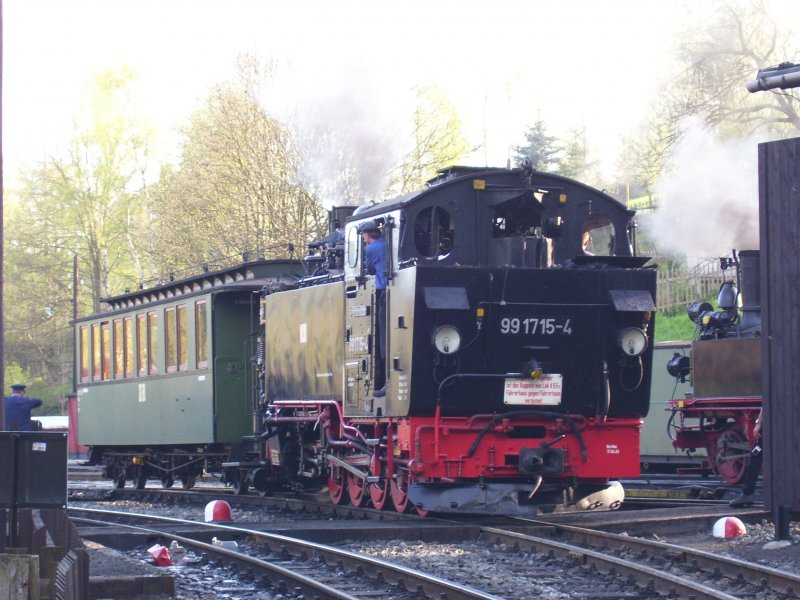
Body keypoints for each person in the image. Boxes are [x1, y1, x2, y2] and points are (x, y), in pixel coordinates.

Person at [360, 220, 387, 397]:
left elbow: (367, 270)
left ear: (366, 236)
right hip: (396, 291)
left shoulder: (370, 249)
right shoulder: (388, 243)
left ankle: (384, 383)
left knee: (383, 341)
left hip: (382, 294)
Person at [729, 407, 763, 507]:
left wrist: (759, 424)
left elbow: (766, 402)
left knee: (755, 456)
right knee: (756, 454)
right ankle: (747, 494)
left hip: (773, 425)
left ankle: (747, 494)